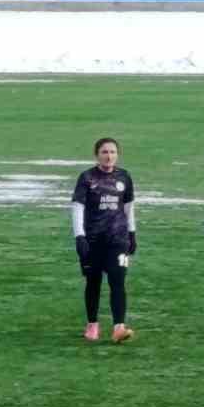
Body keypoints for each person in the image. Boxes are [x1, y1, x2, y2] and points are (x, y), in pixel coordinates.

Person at [71, 137, 136, 344]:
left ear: (118, 154)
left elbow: (129, 207)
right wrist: (79, 236)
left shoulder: (124, 177)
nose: (109, 156)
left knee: (118, 280)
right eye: (105, 152)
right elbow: (78, 207)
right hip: (92, 240)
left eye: (113, 152)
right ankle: (92, 324)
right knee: (93, 282)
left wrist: (132, 233)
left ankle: (119, 327)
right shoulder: (87, 178)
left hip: (118, 240)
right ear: (97, 155)